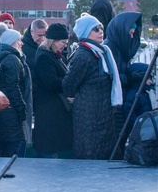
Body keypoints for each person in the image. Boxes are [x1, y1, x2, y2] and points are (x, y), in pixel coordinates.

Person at [64, 14, 120, 159]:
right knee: (89, 153)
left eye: (101, 27)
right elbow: (68, 85)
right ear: (85, 33)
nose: (101, 31)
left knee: (102, 153)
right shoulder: (84, 55)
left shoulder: (101, 52)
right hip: (88, 115)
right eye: (96, 29)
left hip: (102, 112)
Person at [31, 23, 73, 158]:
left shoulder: (52, 55)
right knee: (48, 153)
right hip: (48, 113)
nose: (65, 45)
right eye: (63, 42)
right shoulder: (45, 57)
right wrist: (69, 81)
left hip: (52, 112)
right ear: (53, 41)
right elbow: (51, 83)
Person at [0, 23, 31, 158]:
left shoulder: (0, 56)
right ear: (12, 42)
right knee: (16, 146)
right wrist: (22, 108)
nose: (21, 43)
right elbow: (13, 86)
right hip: (11, 111)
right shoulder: (12, 59)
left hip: (2, 108)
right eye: (18, 40)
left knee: (2, 147)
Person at [105, 11, 142, 142]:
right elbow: (108, 77)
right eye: (130, 33)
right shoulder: (109, 48)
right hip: (112, 103)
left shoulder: (120, 48)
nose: (131, 37)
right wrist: (130, 78)